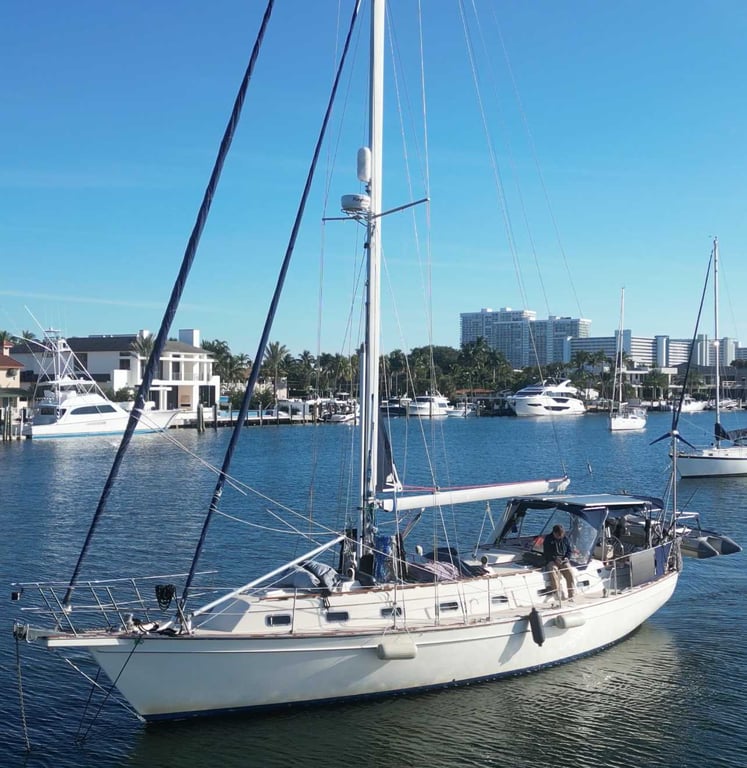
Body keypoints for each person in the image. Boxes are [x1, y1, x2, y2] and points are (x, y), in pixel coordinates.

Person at [543, 524, 575, 600]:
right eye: (558, 535)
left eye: (561, 535)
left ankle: (571, 595)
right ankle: (557, 593)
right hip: (552, 559)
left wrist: (567, 557)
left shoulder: (565, 538)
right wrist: (555, 558)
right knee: (553, 570)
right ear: (554, 533)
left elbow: (569, 550)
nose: (559, 537)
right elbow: (546, 552)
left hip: (563, 559)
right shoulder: (548, 539)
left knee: (570, 572)